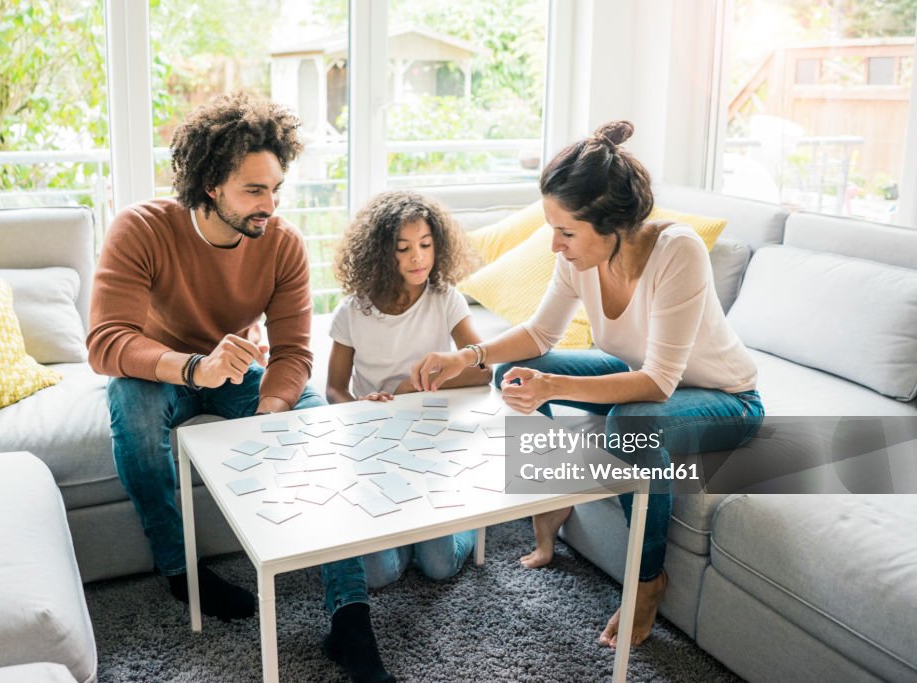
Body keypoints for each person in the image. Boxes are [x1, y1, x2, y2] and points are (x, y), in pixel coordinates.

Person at [410, 121, 764, 648]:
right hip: (637, 375)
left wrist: (552, 387)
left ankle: (647, 582)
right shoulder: (580, 259)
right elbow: (539, 333)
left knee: (633, 423)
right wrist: (468, 355)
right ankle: (552, 498)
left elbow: (658, 384)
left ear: (613, 224)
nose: (554, 245)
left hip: (726, 398)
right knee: (516, 372)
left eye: (566, 232)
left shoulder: (677, 252)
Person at [87, 92, 391, 682]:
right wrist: (195, 367)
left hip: (236, 373)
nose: (270, 205)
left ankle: (350, 619)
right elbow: (106, 343)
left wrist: (274, 407)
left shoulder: (282, 245)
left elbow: (295, 353)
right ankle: (182, 573)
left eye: (276, 189)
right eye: (255, 191)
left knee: (316, 423)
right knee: (134, 417)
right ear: (209, 185)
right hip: (161, 371)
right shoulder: (142, 229)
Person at [322, 191, 490, 637]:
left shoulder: (444, 298)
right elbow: (333, 389)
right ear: (382, 253)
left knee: (438, 567)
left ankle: (468, 522)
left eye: (426, 244)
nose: (419, 258)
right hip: (373, 451)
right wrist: (359, 405)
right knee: (379, 575)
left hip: (429, 447)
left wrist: (410, 386)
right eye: (404, 248)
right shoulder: (354, 311)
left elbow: (484, 371)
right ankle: (411, 527)